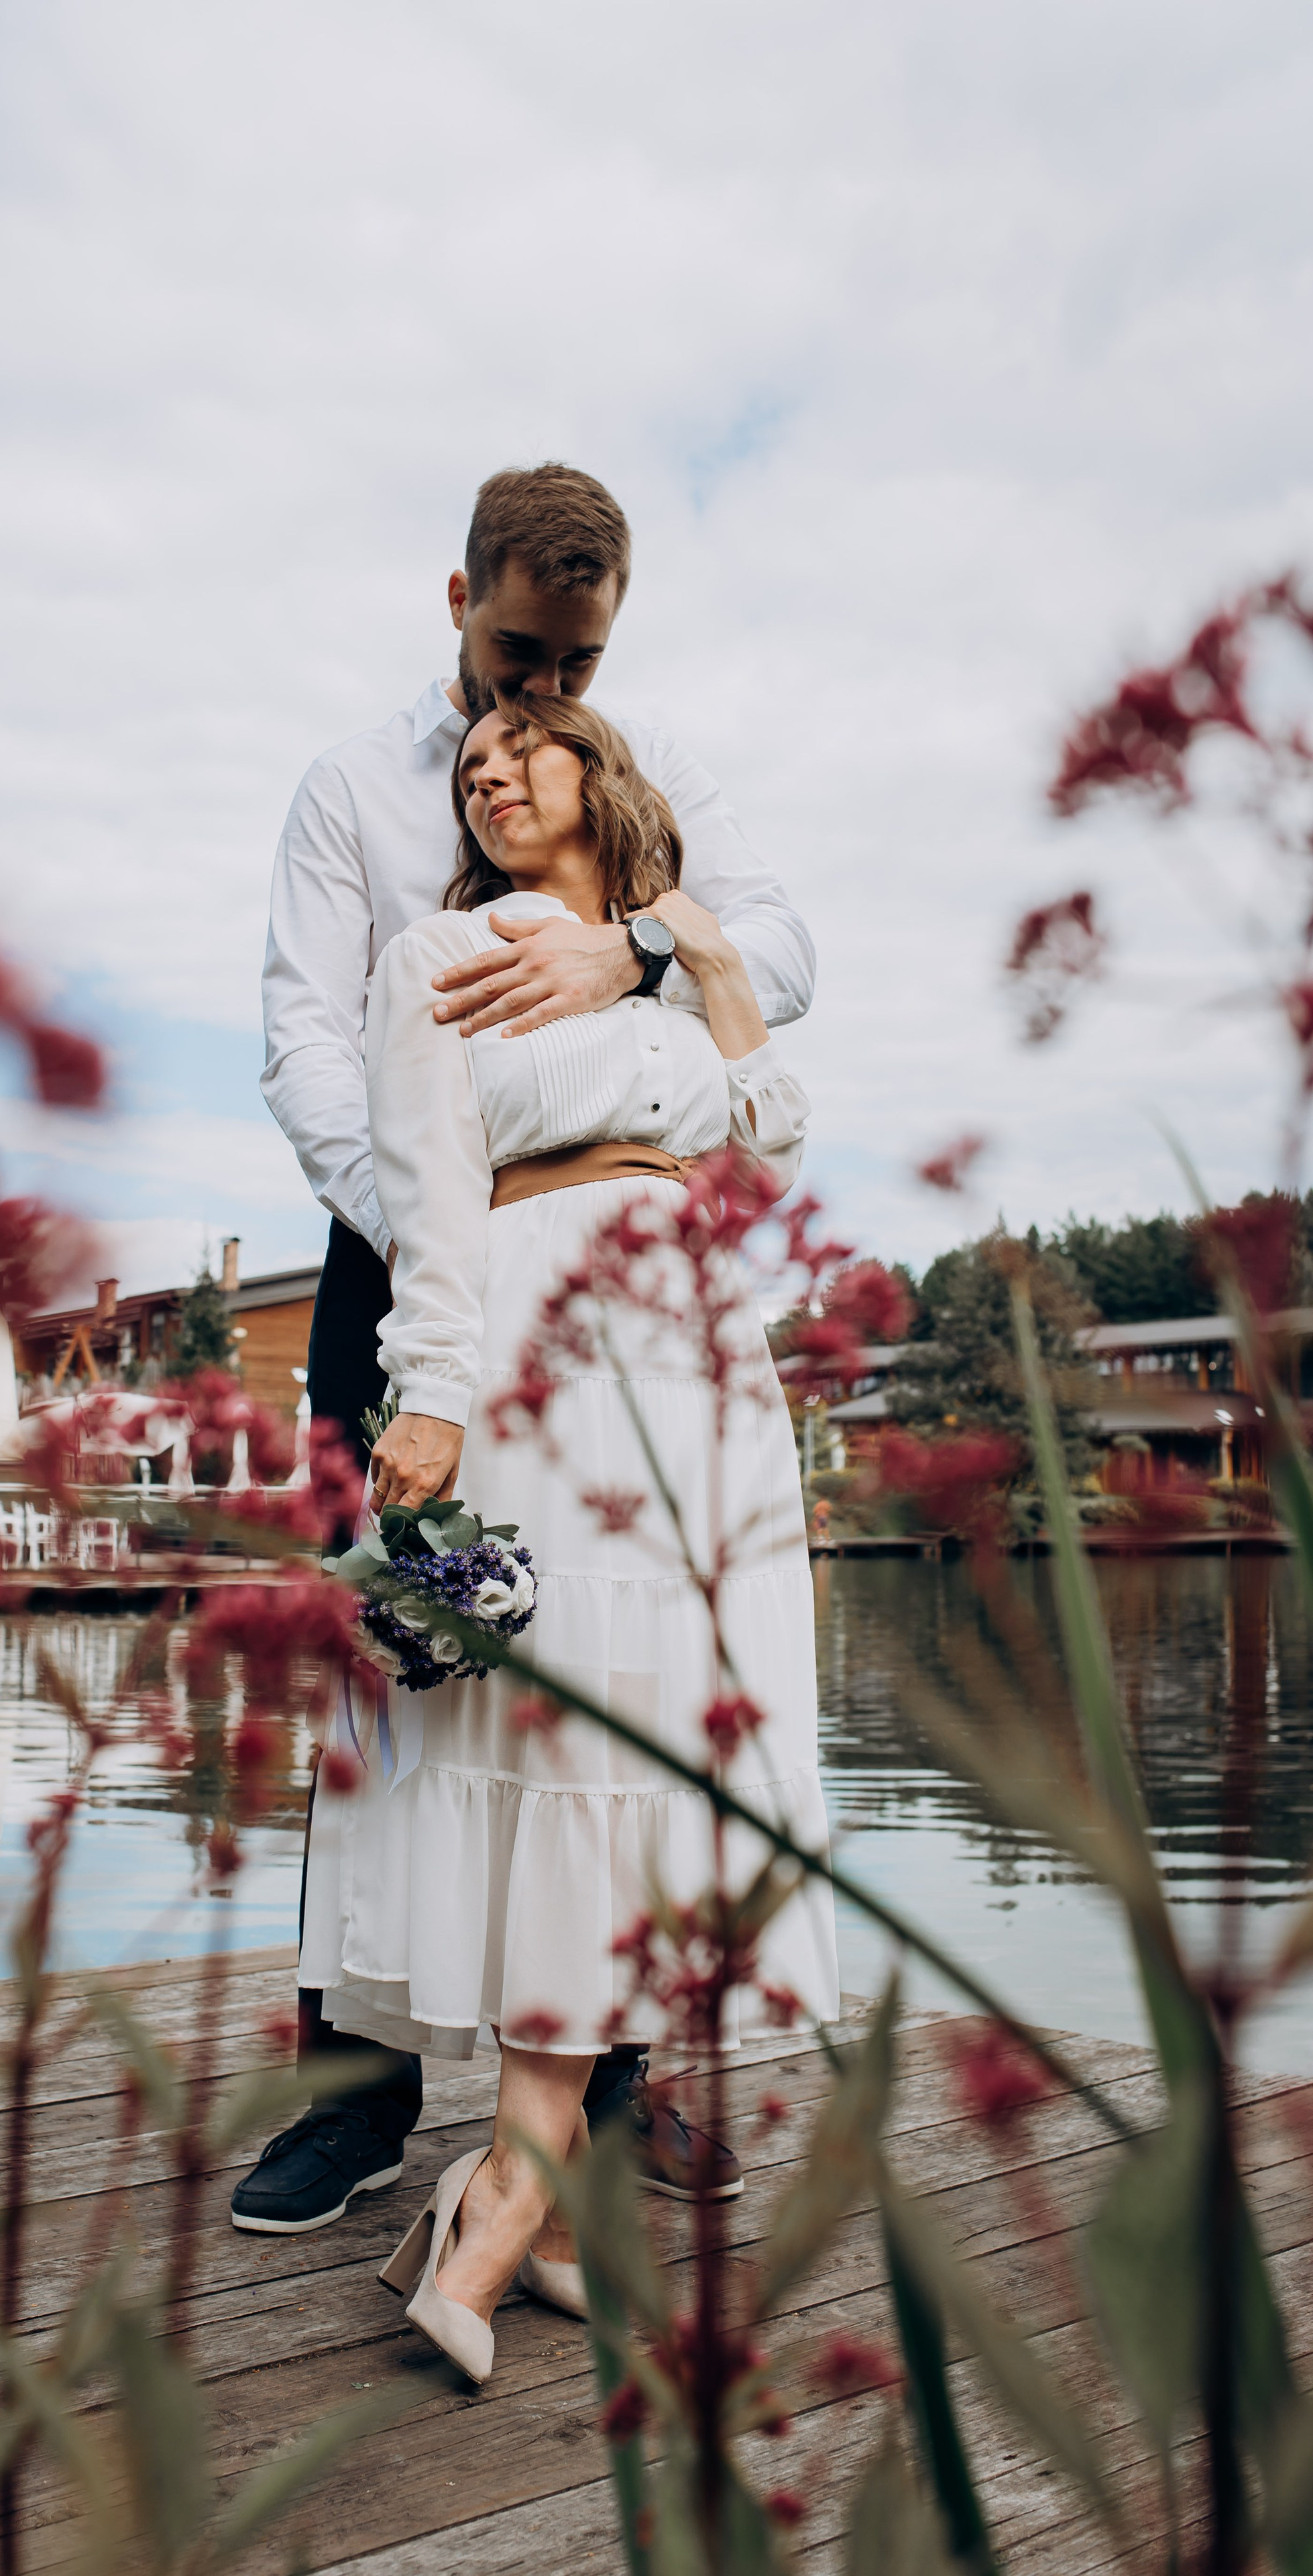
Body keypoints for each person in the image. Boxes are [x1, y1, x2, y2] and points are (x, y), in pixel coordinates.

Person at [239, 462, 816, 2236]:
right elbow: (304, 1043)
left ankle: (609, 2074)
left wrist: (626, 944)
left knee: (619, 1660)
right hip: (405, 1254)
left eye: (574, 665)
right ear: (457, 600)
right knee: (399, 1652)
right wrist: (438, 1227)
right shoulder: (349, 787)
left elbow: (776, 955)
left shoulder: (646, 775)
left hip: (620, 1298)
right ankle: (358, 2094)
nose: (541, 695)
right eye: (519, 652)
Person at [301, 694, 839, 2381]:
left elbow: (764, 1139)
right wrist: (430, 1394)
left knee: (664, 1746)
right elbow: (427, 1190)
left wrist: (675, 949)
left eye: (516, 755)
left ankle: (510, 2214)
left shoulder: (654, 958)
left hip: (687, 1355)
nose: (484, 778)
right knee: (553, 1741)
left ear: (593, 777)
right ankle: (503, 2206)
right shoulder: (436, 957)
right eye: (468, 772)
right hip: (537, 1333)